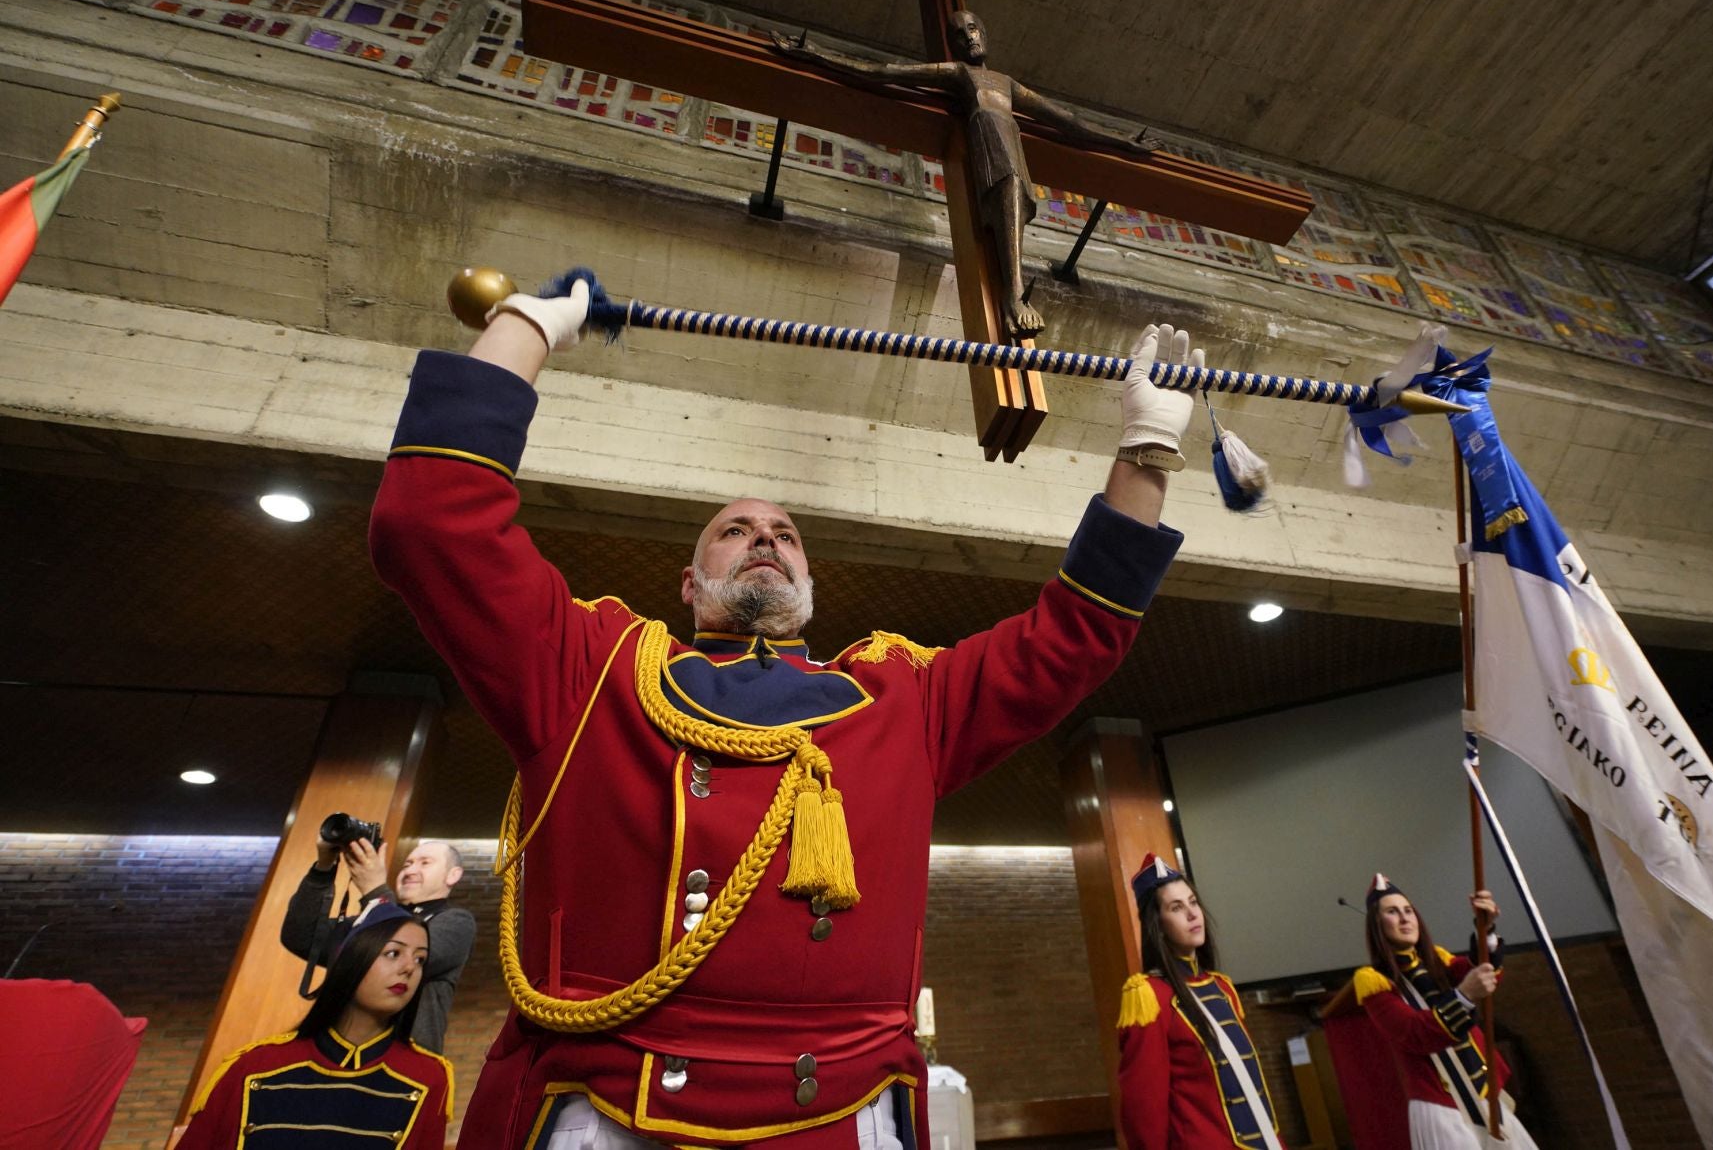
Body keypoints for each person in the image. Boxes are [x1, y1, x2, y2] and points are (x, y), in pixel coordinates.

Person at [367, 275, 1200, 1148]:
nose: (766, 536)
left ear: (808, 583)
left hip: (842, 1117)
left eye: (787, 534)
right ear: (691, 585)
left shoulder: (902, 696)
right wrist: (524, 328)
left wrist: (1146, 452)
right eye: (736, 530)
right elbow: (431, 526)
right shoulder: (592, 669)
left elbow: (1073, 637)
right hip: (614, 1114)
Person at [775, 11, 1156, 340]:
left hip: (1010, 139)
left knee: (1018, 194)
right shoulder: (957, 74)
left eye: (972, 29)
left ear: (984, 34)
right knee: (1008, 186)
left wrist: (1124, 142)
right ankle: (1014, 293)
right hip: (988, 140)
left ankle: (1014, 292)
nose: (968, 38)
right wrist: (815, 55)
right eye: (959, 34)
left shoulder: (1007, 83)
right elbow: (885, 73)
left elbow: (1069, 122)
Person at [179, 902, 453, 1148]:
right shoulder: (256, 1065)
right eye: (393, 953)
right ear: (351, 959)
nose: (409, 968)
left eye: (420, 959)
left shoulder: (426, 1076)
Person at [1352, 874, 1538, 1149]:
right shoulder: (1374, 980)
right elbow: (1413, 1032)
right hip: (1440, 1103)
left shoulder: (1437, 959)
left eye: (1408, 911)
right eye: (1392, 912)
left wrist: (1485, 929)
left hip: (1485, 1094)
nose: (1405, 918)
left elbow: (1478, 971)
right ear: (1377, 924)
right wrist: (1463, 996)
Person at [1117, 853, 1286, 1149]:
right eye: (1176, 907)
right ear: (1157, 923)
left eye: (1193, 902)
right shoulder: (1148, 995)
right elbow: (1144, 1109)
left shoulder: (1223, 987)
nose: (1193, 914)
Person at [279, 834, 476, 1054]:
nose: (410, 871)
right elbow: (300, 937)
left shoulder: (456, 921)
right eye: (407, 864)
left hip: (400, 1059)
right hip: (332, 1049)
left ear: (453, 875)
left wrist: (376, 892)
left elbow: (402, 953)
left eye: (425, 863)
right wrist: (322, 870)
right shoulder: (365, 921)